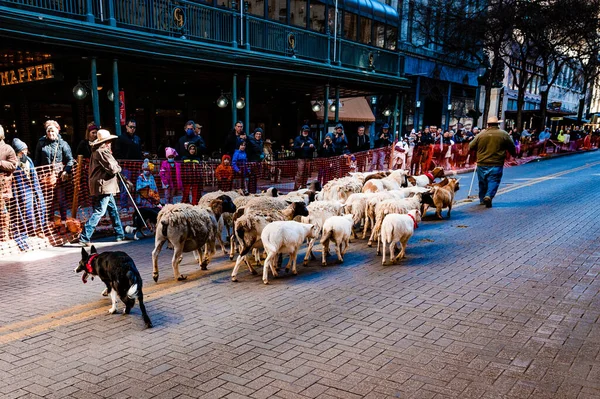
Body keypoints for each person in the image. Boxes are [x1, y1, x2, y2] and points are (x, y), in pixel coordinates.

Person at [79, 129, 125, 246]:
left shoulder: (98, 151)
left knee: (113, 209)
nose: (110, 143)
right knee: (100, 210)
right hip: (104, 185)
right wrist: (118, 167)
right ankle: (84, 236)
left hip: (105, 185)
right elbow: (113, 168)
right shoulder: (102, 152)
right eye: (109, 141)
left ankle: (120, 234)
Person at [469, 116, 516, 208]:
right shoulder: (503, 134)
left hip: (482, 162)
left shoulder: (481, 134)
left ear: (488, 124)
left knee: (482, 182)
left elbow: (471, 146)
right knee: (493, 180)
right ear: (497, 124)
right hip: (496, 163)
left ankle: (482, 199)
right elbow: (511, 146)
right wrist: (514, 154)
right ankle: (489, 195)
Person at [35, 119, 75, 228]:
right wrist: (36, 174)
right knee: (48, 201)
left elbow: (70, 160)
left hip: (59, 175)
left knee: (61, 200)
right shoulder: (41, 143)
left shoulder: (63, 144)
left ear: (57, 131)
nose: (51, 134)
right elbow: (37, 161)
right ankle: (49, 223)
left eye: (53, 131)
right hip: (45, 175)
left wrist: (66, 170)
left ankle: (63, 223)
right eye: (49, 131)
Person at [11, 138, 47, 241]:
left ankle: (40, 228)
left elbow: (32, 172)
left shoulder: (28, 159)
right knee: (28, 210)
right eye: (23, 150)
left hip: (33, 188)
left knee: (40, 207)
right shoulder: (15, 162)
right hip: (23, 190)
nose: (25, 152)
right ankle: (30, 229)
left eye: (26, 149)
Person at [0, 125, 18, 241]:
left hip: (3, 184)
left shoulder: (7, 148)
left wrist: (0, 163)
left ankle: (4, 232)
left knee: (2, 209)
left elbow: (13, 165)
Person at [293, 125, 315, 190]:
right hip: (301, 158)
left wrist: (312, 147)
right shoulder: (298, 139)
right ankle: (296, 188)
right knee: (300, 173)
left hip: (308, 158)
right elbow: (294, 148)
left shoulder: (310, 139)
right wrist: (300, 147)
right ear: (302, 131)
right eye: (304, 131)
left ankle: (304, 187)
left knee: (306, 173)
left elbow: (314, 148)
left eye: (307, 131)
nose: (305, 132)